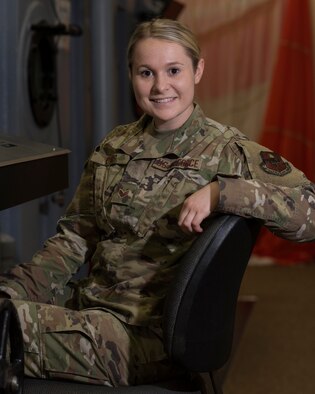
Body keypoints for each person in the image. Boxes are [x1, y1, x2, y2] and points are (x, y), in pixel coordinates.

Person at [0, 18, 314, 387]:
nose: (161, 85)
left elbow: (308, 210)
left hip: (143, 338)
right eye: (146, 72)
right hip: (88, 309)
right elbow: (73, 239)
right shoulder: (116, 145)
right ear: (131, 75)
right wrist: (13, 292)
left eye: (174, 70)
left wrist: (224, 193)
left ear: (198, 70)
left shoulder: (229, 152)